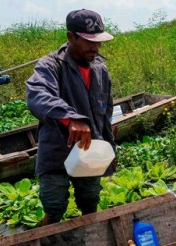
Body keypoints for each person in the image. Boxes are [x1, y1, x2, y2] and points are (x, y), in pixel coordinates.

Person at [26, 9, 116, 226]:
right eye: (88, 41)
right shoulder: (50, 65)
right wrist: (69, 117)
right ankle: (46, 244)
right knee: (54, 207)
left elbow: (106, 110)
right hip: (57, 150)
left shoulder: (100, 70)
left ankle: (90, 241)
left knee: (90, 201)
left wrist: (108, 138)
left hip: (89, 150)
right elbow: (38, 94)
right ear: (70, 37)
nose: (95, 47)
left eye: (98, 42)